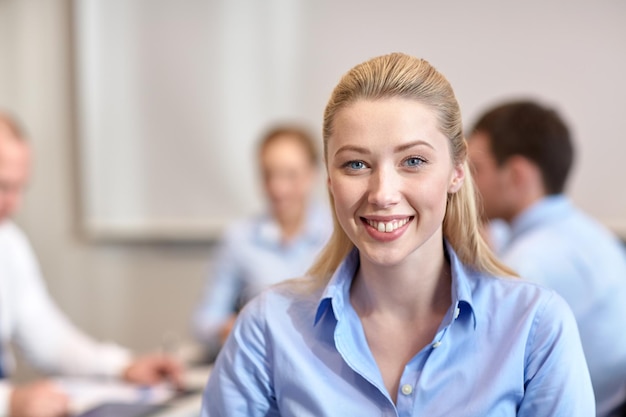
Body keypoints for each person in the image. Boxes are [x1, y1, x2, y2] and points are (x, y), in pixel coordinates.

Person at [200, 53, 594, 416]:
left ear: (458, 171)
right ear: (329, 180)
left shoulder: (535, 327)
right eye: (355, 164)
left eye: (413, 161)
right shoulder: (267, 329)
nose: (383, 193)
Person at [0, 111, 184, 417]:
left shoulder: (9, 243)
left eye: (21, 188)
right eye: (4, 187)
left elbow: (49, 338)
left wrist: (122, 366)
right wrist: (9, 402)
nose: (15, 204)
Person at [467, 99, 626, 417]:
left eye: (476, 169)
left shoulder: (529, 262)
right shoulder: (581, 230)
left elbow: (476, 373)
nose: (465, 183)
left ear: (516, 175)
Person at [192, 125, 332, 358]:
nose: (278, 188)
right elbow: (204, 320)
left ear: (313, 174)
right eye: (268, 174)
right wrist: (224, 329)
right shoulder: (239, 238)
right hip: (261, 361)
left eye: (290, 175)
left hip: (324, 364)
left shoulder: (339, 235)